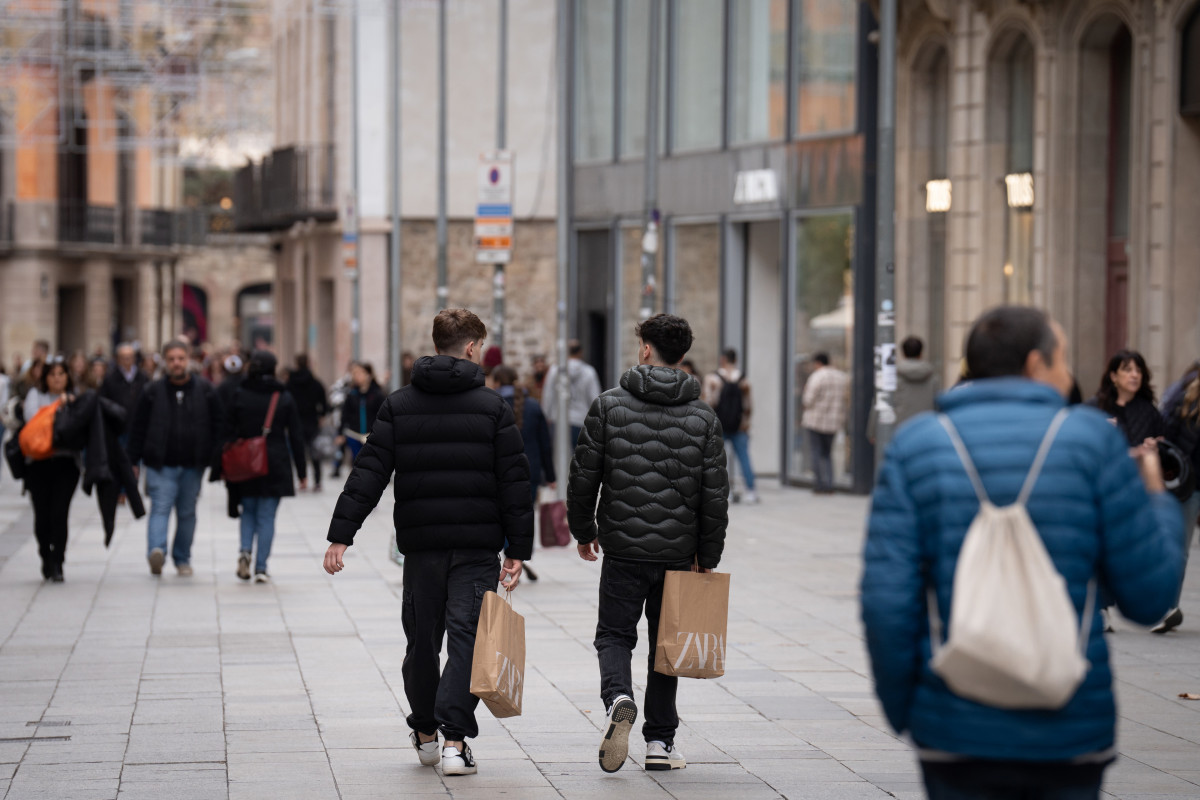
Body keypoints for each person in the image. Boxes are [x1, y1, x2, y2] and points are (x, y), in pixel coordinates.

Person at [861, 305, 1183, 800]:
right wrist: (1157, 497)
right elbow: (1149, 598)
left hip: (953, 732)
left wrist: (911, 711)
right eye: (1064, 359)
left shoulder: (917, 446)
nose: (1069, 373)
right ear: (1036, 364)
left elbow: (886, 602)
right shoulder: (1091, 441)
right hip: (1069, 729)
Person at [323, 308, 532, 777]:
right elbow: (515, 483)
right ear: (473, 348)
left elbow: (369, 472)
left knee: (422, 642)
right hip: (477, 547)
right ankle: (456, 742)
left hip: (421, 549)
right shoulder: (493, 407)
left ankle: (424, 731)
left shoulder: (399, 404)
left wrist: (342, 534)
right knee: (465, 644)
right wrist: (518, 548)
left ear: (435, 343)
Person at [568, 313, 729, 774]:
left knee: (614, 635)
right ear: (682, 356)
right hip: (679, 554)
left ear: (645, 349)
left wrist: (584, 531)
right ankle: (660, 742)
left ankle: (618, 696)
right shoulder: (703, 417)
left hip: (621, 548)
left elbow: (584, 477)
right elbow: (715, 495)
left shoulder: (609, 405)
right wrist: (708, 555)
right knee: (667, 644)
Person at [128, 340, 223, 577]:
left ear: (188, 360)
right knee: (160, 507)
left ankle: (182, 558)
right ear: (165, 362)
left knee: (187, 512)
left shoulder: (205, 389)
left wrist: (215, 458)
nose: (177, 363)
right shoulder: (152, 391)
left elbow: (218, 425)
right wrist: (133, 460)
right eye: (172, 359)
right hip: (161, 463)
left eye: (181, 358)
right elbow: (138, 427)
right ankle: (156, 551)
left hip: (193, 464)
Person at [225, 351, 307, 583]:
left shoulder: (239, 394)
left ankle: (244, 551)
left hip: (245, 463)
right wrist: (301, 471)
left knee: (248, 511)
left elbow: (227, 430)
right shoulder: (283, 397)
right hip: (275, 462)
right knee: (267, 516)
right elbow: (296, 436)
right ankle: (261, 567)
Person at [21, 356, 81, 581]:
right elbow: (33, 421)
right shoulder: (36, 396)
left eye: (61, 374)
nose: (57, 379)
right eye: (52, 374)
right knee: (42, 514)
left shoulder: (76, 397)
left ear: (68, 377)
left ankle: (58, 561)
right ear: (45, 377)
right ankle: (45, 554)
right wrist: (58, 407)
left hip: (66, 463)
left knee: (59, 512)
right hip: (38, 463)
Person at [1157, 366, 1200, 633]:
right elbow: (1166, 440)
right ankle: (1167, 607)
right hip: (1189, 486)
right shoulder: (1186, 400)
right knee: (1180, 551)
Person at [489, 365, 555, 502]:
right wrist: (550, 476)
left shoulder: (491, 407)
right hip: (530, 469)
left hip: (500, 471)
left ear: (497, 382)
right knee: (526, 515)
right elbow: (545, 444)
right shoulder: (534, 406)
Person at [703, 349, 758, 504]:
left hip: (718, 425)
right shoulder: (743, 379)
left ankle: (718, 490)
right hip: (739, 426)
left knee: (715, 459)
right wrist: (745, 423)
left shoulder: (713, 378)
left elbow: (708, 403)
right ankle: (750, 491)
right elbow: (748, 405)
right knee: (744, 457)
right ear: (736, 360)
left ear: (723, 359)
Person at [1086, 350, 1164, 447]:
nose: (1135, 375)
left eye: (1139, 371)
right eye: (1128, 370)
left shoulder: (1149, 411)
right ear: (1114, 376)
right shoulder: (1095, 408)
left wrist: (1156, 447)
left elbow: (1164, 447)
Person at [867, 336, 938, 442]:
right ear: (921, 353)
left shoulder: (892, 377)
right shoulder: (933, 378)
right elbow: (938, 404)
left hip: (899, 431)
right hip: (926, 431)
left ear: (903, 353)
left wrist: (872, 432)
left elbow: (881, 402)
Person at [801, 352, 849, 494]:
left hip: (816, 420)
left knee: (816, 452)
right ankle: (829, 484)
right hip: (834, 422)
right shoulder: (841, 377)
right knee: (827, 454)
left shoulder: (817, 376)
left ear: (817, 363)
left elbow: (808, 400)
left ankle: (819, 484)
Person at [543, 340, 602, 446]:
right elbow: (595, 398)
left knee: (559, 459)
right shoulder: (589, 372)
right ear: (580, 352)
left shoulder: (555, 370)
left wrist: (546, 415)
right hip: (581, 420)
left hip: (558, 419)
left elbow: (548, 395)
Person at [285, 353, 328, 492]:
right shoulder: (315, 383)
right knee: (315, 451)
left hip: (295, 420)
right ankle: (317, 481)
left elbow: (285, 401)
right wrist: (321, 415)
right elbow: (324, 403)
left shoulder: (290, 383)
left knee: (299, 451)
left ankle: (302, 479)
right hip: (312, 420)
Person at [337, 362, 385, 466]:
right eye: (354, 374)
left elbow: (383, 415)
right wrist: (340, 433)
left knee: (371, 464)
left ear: (368, 375)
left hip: (372, 435)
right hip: (354, 434)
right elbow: (345, 414)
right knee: (357, 464)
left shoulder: (377, 394)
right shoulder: (351, 394)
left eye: (359, 373)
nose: (356, 376)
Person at [100, 344, 150, 426]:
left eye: (129, 356)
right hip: (117, 424)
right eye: (123, 357)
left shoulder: (143, 378)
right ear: (118, 359)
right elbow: (104, 400)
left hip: (139, 422)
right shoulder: (110, 378)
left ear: (134, 358)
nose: (127, 359)